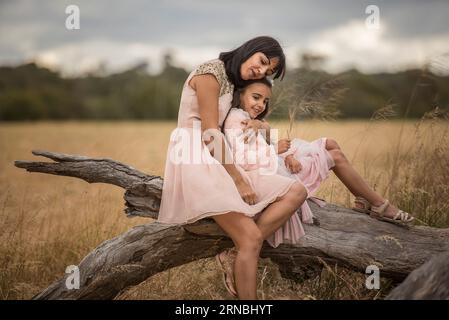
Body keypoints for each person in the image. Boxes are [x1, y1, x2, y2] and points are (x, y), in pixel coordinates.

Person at [158, 36, 307, 300]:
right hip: (197, 155)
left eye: (268, 71)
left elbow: (245, 121)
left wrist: (262, 127)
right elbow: (210, 132)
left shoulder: (233, 81)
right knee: (250, 238)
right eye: (262, 62)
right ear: (250, 49)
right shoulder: (210, 73)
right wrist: (238, 180)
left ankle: (239, 252)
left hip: (224, 155)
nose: (260, 71)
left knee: (296, 191)